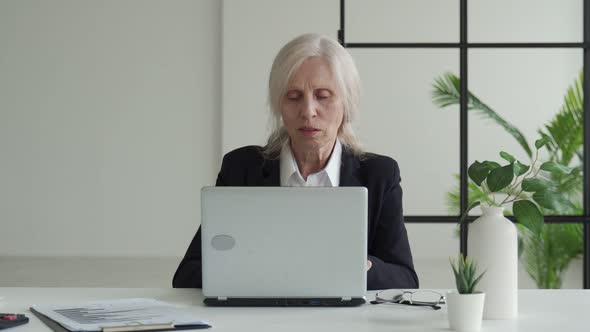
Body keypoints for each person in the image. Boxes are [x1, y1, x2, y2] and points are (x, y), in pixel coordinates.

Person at [173, 33, 419, 290]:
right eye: (293, 96)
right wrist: (266, 267)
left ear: (347, 103)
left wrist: (362, 267)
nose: (308, 111)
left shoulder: (379, 175)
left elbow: (405, 279)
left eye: (323, 96)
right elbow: (188, 274)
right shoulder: (241, 168)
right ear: (279, 104)